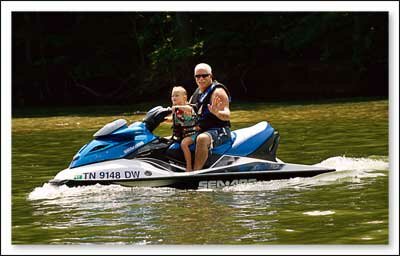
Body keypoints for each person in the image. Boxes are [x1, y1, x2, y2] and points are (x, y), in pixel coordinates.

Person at [189, 63, 231, 170]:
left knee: (202, 139)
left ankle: (195, 173)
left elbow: (227, 115)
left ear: (210, 76)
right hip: (201, 129)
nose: (201, 79)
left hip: (220, 130)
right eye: (198, 76)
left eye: (204, 76)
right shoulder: (197, 92)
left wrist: (217, 112)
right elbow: (188, 109)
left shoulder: (218, 92)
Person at [169, 86, 198, 172]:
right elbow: (176, 120)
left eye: (177, 95)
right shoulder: (177, 109)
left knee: (184, 144)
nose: (174, 97)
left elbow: (189, 109)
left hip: (192, 134)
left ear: (184, 97)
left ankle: (189, 167)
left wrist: (177, 107)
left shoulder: (187, 108)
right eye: (172, 96)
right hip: (182, 134)